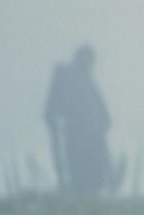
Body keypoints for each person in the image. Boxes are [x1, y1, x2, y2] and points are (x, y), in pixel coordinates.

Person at [44, 44, 112, 195]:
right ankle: (81, 193)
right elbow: (53, 103)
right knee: (79, 166)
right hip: (76, 132)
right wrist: (52, 119)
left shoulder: (86, 80)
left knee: (93, 170)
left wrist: (104, 121)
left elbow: (99, 107)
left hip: (92, 134)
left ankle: (89, 194)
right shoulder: (65, 76)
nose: (90, 64)